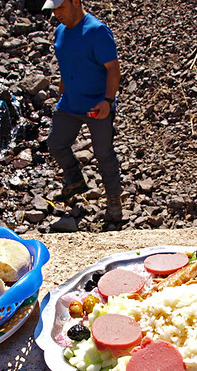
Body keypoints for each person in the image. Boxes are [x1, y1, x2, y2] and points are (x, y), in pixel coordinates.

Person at [42, 0, 123, 223]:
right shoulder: (60, 32)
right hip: (70, 103)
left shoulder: (96, 31)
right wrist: (62, 93)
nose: (56, 13)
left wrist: (107, 100)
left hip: (97, 106)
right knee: (56, 142)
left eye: (61, 7)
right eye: (53, 9)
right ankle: (75, 179)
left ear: (75, 2)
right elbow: (67, 66)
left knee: (103, 153)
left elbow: (113, 69)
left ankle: (114, 202)